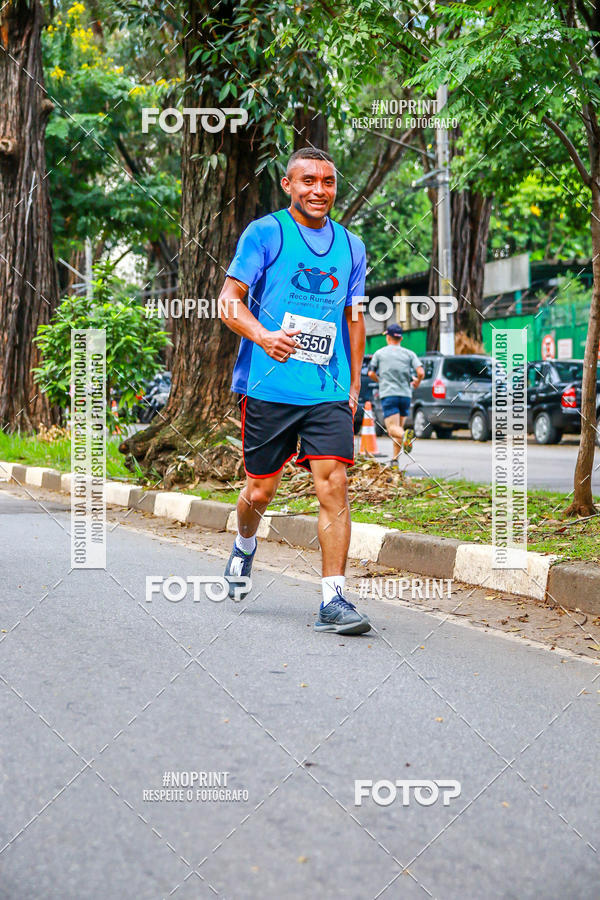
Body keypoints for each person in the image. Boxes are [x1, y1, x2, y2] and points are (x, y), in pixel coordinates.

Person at [217, 147, 371, 635]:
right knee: (260, 490)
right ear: (288, 185)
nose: (318, 190)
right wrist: (263, 336)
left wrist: (354, 381)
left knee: (335, 486)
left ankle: (334, 599)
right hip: (269, 386)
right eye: (307, 181)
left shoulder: (352, 245)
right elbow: (229, 301)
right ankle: (243, 546)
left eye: (327, 181)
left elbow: (355, 316)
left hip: (326, 389)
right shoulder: (266, 233)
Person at [367, 324, 425, 466]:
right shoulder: (409, 353)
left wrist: (380, 380)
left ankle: (406, 436)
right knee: (398, 428)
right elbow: (421, 372)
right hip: (405, 395)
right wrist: (417, 382)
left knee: (392, 429)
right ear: (401, 338)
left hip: (389, 394)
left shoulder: (379, 353)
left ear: (388, 337)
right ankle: (395, 461)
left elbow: (370, 373)